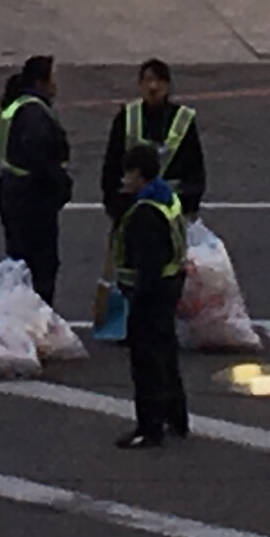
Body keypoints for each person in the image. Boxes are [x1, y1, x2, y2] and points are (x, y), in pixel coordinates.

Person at [95, 60, 204, 343]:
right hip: (130, 209)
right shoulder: (127, 117)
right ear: (140, 84)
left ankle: (158, 324)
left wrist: (188, 205)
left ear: (168, 85)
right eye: (147, 80)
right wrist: (113, 204)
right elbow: (111, 165)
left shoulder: (183, 120)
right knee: (128, 267)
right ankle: (127, 323)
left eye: (159, 81)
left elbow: (195, 168)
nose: (153, 87)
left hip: (168, 210)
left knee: (165, 270)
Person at [110, 174, 191, 448]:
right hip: (170, 287)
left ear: (139, 175)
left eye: (128, 174)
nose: (124, 180)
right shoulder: (166, 199)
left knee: (147, 363)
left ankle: (149, 427)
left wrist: (137, 300)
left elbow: (148, 265)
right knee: (166, 355)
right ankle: (176, 417)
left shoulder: (145, 214)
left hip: (149, 297)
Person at [0, 55, 71, 320]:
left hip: (14, 193)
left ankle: (20, 315)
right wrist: (60, 185)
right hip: (31, 199)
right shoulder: (34, 114)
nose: (56, 84)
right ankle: (35, 319)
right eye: (53, 78)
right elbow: (41, 157)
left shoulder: (19, 107)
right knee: (41, 263)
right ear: (41, 82)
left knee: (20, 258)